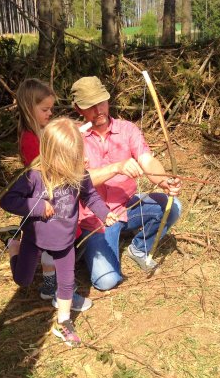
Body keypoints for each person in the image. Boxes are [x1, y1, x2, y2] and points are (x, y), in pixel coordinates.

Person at [0, 117, 119, 346]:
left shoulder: (78, 173)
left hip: (64, 242)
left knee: (66, 282)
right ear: (54, 155)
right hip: (35, 238)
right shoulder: (34, 176)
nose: (81, 160)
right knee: (22, 279)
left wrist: (105, 214)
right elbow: (7, 200)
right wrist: (36, 204)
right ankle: (13, 247)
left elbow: (91, 196)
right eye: (74, 156)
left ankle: (63, 322)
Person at [71, 76, 182, 291]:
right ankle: (89, 248)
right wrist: (116, 167)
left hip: (127, 206)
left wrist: (164, 181)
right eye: (90, 106)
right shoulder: (73, 137)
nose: (98, 110)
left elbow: (147, 160)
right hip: (94, 219)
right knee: (106, 281)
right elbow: (75, 181)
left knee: (173, 206)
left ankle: (139, 248)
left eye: (101, 102)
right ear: (78, 108)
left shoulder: (127, 129)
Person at [0, 78, 91, 311]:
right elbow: (38, 176)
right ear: (29, 108)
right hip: (45, 204)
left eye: (51, 109)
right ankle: (16, 248)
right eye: (45, 109)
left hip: (55, 202)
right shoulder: (30, 140)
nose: (50, 113)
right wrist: (70, 165)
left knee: (61, 244)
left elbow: (56, 140)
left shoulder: (42, 131)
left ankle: (57, 289)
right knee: (49, 247)